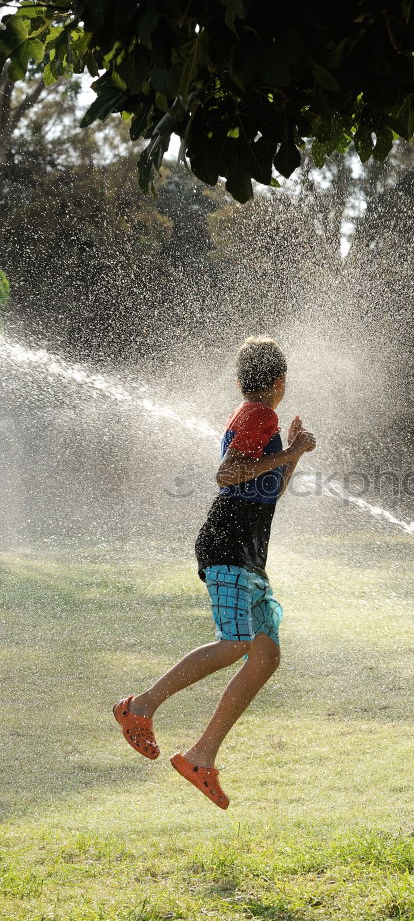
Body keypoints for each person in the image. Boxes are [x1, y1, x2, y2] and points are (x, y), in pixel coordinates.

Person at [113, 336, 316, 809]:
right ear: (279, 382)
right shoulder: (257, 414)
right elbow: (226, 475)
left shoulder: (261, 421)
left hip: (249, 551)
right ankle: (139, 706)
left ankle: (202, 756)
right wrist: (287, 453)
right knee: (235, 644)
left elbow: (266, 490)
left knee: (264, 656)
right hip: (227, 543)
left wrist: (294, 453)